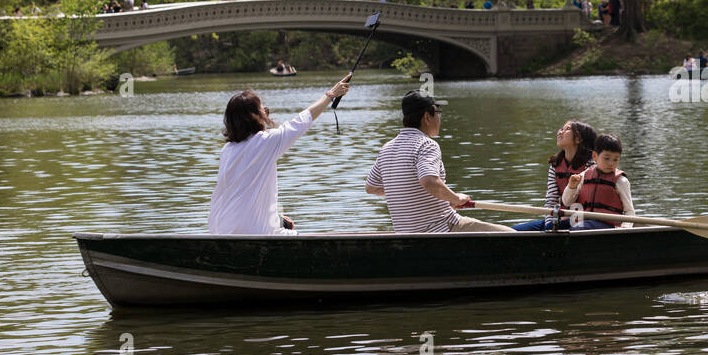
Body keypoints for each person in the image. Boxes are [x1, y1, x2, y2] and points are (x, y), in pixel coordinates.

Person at [209, 76, 351, 235]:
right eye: (265, 111)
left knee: (283, 225)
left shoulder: (227, 150)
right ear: (254, 117)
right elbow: (302, 121)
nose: (267, 116)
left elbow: (241, 194)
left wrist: (276, 217)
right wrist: (330, 95)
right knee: (293, 235)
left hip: (219, 230)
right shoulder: (266, 142)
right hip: (253, 234)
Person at [365, 92, 513, 233]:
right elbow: (430, 182)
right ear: (427, 117)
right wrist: (456, 199)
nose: (439, 119)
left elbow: (371, 187)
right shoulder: (426, 144)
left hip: (407, 235)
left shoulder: (387, 148)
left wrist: (429, 195)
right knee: (513, 235)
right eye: (438, 113)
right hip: (443, 228)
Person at [513, 120, 597, 231]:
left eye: (567, 129)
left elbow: (591, 200)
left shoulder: (591, 165)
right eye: (561, 128)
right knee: (513, 230)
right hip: (558, 219)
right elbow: (551, 199)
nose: (560, 132)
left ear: (578, 139)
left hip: (582, 220)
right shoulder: (555, 165)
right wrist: (550, 223)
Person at [562, 133, 634, 230]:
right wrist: (571, 187)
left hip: (606, 225)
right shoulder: (584, 176)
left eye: (615, 159)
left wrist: (625, 227)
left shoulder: (621, 181)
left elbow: (629, 211)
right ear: (595, 156)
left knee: (576, 229)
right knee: (546, 226)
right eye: (607, 158)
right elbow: (567, 202)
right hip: (582, 221)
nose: (611, 163)